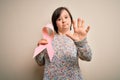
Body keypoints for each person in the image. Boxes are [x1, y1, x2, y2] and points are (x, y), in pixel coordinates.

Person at [35, 7, 92, 80]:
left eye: (66, 17)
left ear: (71, 19)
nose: (63, 21)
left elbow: (88, 57)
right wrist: (39, 49)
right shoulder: (47, 40)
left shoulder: (76, 39)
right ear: (55, 23)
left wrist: (81, 43)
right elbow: (40, 63)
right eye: (59, 19)